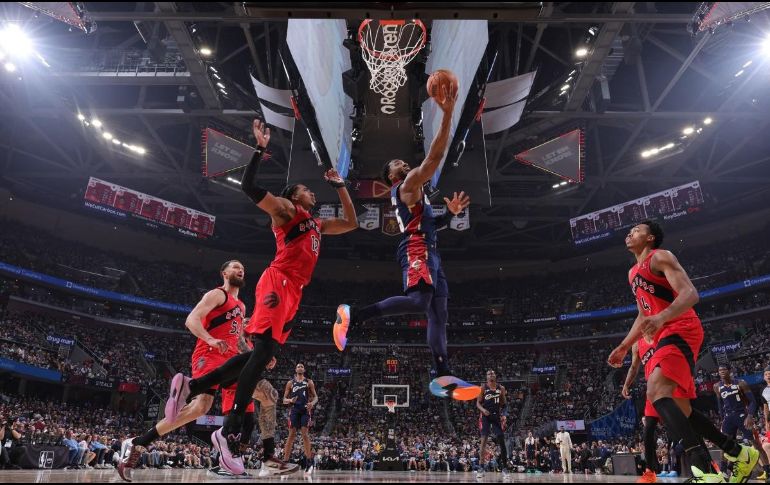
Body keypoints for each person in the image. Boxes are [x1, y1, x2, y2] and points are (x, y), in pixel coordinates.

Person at [164, 119, 359, 475]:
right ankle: (231, 427)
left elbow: (351, 222)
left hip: (294, 290)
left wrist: (341, 186)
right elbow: (248, 186)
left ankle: (197, 388)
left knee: (260, 356)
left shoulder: (317, 224)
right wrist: (258, 149)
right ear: (294, 195)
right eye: (308, 191)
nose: (313, 195)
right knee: (263, 354)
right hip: (278, 280)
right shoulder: (286, 210)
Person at [333, 81, 479, 401]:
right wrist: (448, 114)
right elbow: (435, 157)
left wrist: (450, 214)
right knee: (418, 303)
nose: (404, 163)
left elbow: (430, 224)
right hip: (417, 248)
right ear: (392, 175)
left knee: (439, 314)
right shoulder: (408, 185)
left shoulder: (416, 195)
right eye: (398, 163)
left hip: (429, 249)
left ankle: (443, 375)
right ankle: (354, 315)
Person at [117, 261, 297, 481]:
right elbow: (191, 319)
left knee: (267, 396)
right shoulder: (217, 294)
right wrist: (210, 339)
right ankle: (140, 442)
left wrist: (259, 356)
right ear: (224, 273)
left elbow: (238, 340)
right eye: (235, 267)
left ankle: (266, 457)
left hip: (230, 360)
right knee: (202, 406)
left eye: (242, 268)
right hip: (209, 355)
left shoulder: (241, 306)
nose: (240, 270)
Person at [608, 220, 759, 482]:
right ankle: (739, 453)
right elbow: (643, 314)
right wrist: (624, 345)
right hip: (665, 334)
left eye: (637, 230)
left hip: (682, 327)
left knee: (656, 391)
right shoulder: (632, 273)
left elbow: (690, 294)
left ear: (650, 238)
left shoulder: (660, 257)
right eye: (629, 230)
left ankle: (705, 470)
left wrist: (661, 317)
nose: (630, 232)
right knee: (683, 409)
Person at [715, 364, 770, 481]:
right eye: (720, 370)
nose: (722, 372)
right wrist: (722, 418)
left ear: (730, 371)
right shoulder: (717, 386)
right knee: (724, 444)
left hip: (742, 416)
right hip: (728, 418)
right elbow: (720, 405)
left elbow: (753, 402)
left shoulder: (740, 383)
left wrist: (749, 416)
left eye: (724, 369)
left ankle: (768, 471)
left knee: (757, 445)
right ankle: (723, 472)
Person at [282, 363, 318, 475]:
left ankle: (309, 462)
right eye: (298, 366)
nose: (300, 368)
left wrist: (312, 403)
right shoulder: (290, 383)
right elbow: (284, 399)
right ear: (295, 369)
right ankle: (285, 463)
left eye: (302, 366)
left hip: (305, 410)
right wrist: (290, 400)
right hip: (294, 410)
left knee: (305, 435)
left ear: (304, 370)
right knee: (291, 435)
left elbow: (316, 397)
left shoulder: (309, 382)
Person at [476, 370, 509, 478]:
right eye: (489, 374)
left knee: (501, 441)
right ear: (486, 377)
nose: (491, 374)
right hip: (485, 416)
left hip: (496, 417)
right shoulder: (483, 388)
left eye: (492, 373)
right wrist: (483, 410)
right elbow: (478, 403)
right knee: (483, 441)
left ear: (495, 376)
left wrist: (504, 414)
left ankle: (505, 468)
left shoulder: (501, 388)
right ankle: (481, 467)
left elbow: (504, 405)